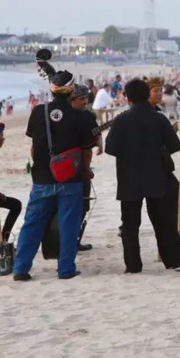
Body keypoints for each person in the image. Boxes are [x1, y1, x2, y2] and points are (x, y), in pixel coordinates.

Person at [13, 70, 94, 281]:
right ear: (71, 89)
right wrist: (86, 172)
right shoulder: (81, 116)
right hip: (70, 177)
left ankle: (21, 268)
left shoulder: (39, 112)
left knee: (32, 223)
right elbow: (86, 150)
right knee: (69, 224)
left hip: (42, 176)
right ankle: (65, 269)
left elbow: (33, 146)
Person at [105, 79, 180, 273]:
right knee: (164, 222)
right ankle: (173, 261)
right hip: (156, 176)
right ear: (147, 95)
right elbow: (174, 146)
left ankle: (133, 265)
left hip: (129, 178)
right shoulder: (158, 119)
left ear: (128, 98)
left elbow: (111, 148)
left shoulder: (122, 120)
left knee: (130, 225)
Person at [146, 77, 180, 232]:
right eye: (155, 91)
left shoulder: (157, 112)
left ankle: (178, 221)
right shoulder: (147, 113)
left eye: (161, 90)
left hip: (160, 161)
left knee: (174, 190)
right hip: (149, 164)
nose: (160, 94)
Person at [69, 84, 100, 251]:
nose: (85, 102)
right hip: (68, 169)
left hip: (82, 168)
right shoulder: (67, 116)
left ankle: (75, 240)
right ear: (71, 100)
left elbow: (96, 131)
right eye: (81, 99)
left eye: (86, 98)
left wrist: (100, 140)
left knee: (84, 205)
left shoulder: (87, 116)